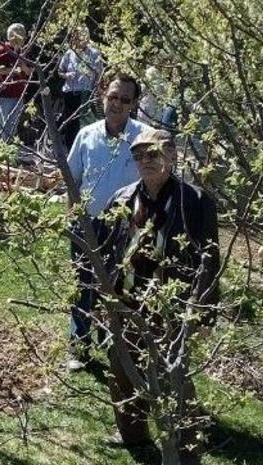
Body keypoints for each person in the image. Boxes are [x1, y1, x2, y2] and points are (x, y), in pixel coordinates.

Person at [98, 129, 219, 465]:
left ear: (172, 156)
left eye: (153, 154)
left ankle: (187, 456)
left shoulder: (195, 200)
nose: (146, 161)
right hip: (127, 300)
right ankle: (133, 436)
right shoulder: (123, 198)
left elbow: (209, 261)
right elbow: (108, 250)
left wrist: (200, 311)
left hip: (172, 306)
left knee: (175, 379)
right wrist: (104, 298)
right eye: (139, 156)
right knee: (120, 365)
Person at [65, 73, 150, 370]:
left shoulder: (143, 138)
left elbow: (153, 184)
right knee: (82, 284)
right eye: (113, 96)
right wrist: (73, 220)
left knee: (119, 288)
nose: (117, 104)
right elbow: (72, 181)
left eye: (124, 100)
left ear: (133, 104)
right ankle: (79, 347)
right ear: (103, 95)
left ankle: (115, 344)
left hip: (126, 228)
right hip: (87, 223)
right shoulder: (86, 135)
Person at [58, 26, 103, 150]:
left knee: (85, 121)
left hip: (86, 92)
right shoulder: (69, 53)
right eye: (77, 37)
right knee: (70, 123)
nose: (79, 39)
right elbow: (60, 71)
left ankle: (86, 148)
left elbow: (99, 74)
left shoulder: (94, 53)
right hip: (70, 92)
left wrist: (97, 89)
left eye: (82, 36)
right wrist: (67, 75)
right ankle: (70, 150)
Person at [0, 23, 33, 143]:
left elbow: (29, 72)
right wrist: (11, 70)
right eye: (20, 34)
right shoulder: (4, 49)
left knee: (12, 125)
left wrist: (23, 66)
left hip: (18, 94)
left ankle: (7, 151)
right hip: (3, 94)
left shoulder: (22, 52)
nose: (23, 38)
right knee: (0, 124)